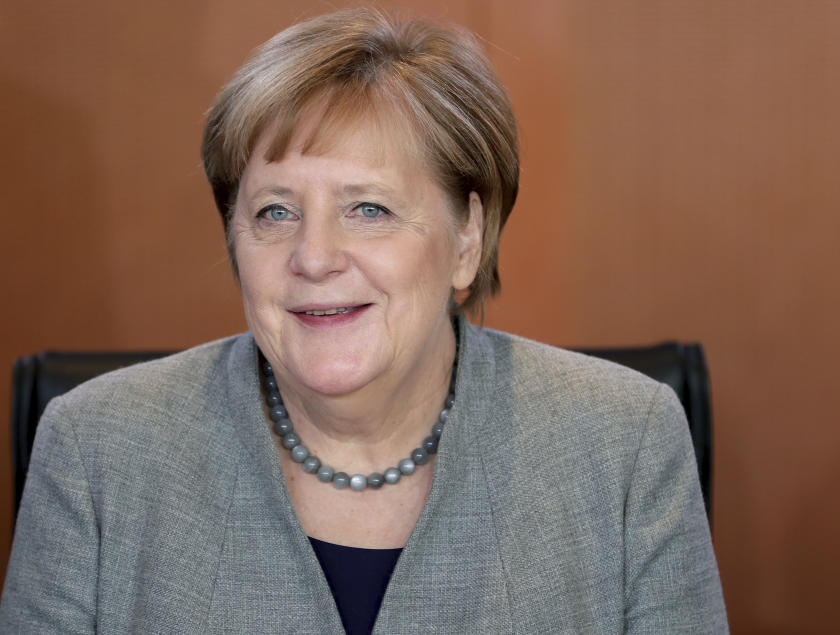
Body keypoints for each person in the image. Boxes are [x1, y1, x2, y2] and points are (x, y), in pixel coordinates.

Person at [0, 8, 727, 633]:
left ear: (466, 239)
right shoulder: (97, 450)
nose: (313, 257)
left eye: (368, 209)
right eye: (274, 211)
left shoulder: (622, 443)